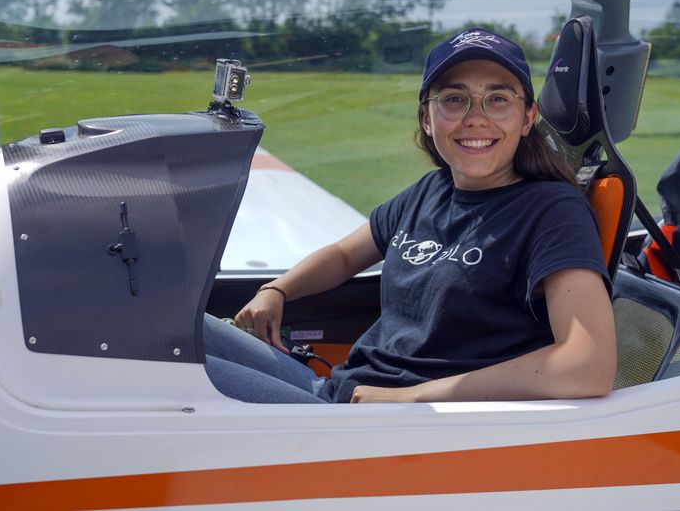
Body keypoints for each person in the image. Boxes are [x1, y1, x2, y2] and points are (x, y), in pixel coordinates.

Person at [204, 27, 616, 404]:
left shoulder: (551, 211)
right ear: (427, 118)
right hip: (337, 391)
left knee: (164, 374)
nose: (476, 116)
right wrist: (276, 291)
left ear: (528, 118)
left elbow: (588, 365)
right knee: (168, 339)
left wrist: (414, 399)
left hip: (391, 424)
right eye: (454, 99)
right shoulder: (430, 191)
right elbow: (346, 255)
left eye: (498, 99)